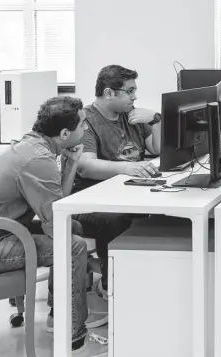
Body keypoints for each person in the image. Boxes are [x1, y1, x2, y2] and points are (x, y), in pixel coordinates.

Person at [0, 96, 109, 356]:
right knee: (73, 246)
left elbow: (59, 209)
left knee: (73, 229)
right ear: (65, 133)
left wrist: (72, 163)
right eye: (83, 125)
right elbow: (57, 224)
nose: (87, 130)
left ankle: (59, 315)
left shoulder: (31, 146)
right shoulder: (37, 160)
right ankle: (74, 339)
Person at [72, 64, 163, 301]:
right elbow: (85, 165)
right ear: (109, 93)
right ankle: (110, 286)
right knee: (116, 220)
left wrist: (155, 120)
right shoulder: (86, 120)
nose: (135, 96)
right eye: (130, 91)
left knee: (165, 214)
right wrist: (127, 168)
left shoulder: (130, 115)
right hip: (90, 200)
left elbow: (157, 148)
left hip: (128, 194)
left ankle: (146, 279)